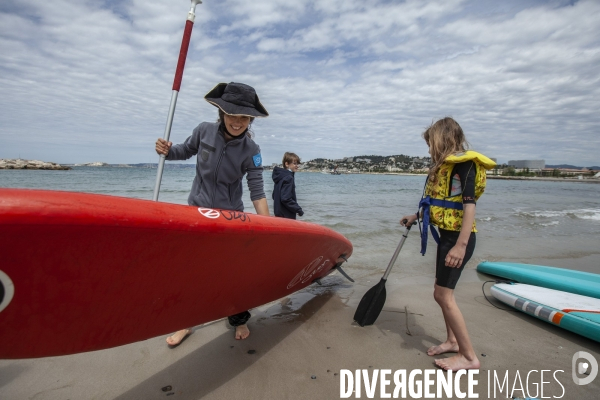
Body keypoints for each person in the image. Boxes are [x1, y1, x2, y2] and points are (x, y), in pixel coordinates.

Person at [155, 82, 270, 345]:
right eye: (232, 114)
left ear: (250, 119)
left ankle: (238, 319)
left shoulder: (252, 151)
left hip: (230, 219)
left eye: (243, 117)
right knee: (192, 272)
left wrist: (268, 227)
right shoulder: (203, 131)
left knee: (232, 274)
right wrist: (166, 150)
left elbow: (257, 191)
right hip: (197, 212)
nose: (237, 122)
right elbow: (183, 151)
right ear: (221, 112)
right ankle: (185, 322)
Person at [400, 117, 495, 371]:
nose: (429, 148)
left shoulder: (464, 166)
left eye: (431, 142)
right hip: (447, 238)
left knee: (443, 295)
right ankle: (453, 341)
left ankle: (469, 357)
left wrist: (460, 246)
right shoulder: (445, 167)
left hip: (458, 240)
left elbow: (469, 206)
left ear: (442, 139)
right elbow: (437, 202)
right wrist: (415, 216)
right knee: (441, 293)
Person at [272, 152, 304, 219]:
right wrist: (298, 209)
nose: (297, 166)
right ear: (287, 164)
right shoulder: (289, 177)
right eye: (294, 163)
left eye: (297, 163)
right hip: (286, 216)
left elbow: (273, 195)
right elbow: (286, 198)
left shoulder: (280, 177)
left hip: (278, 214)